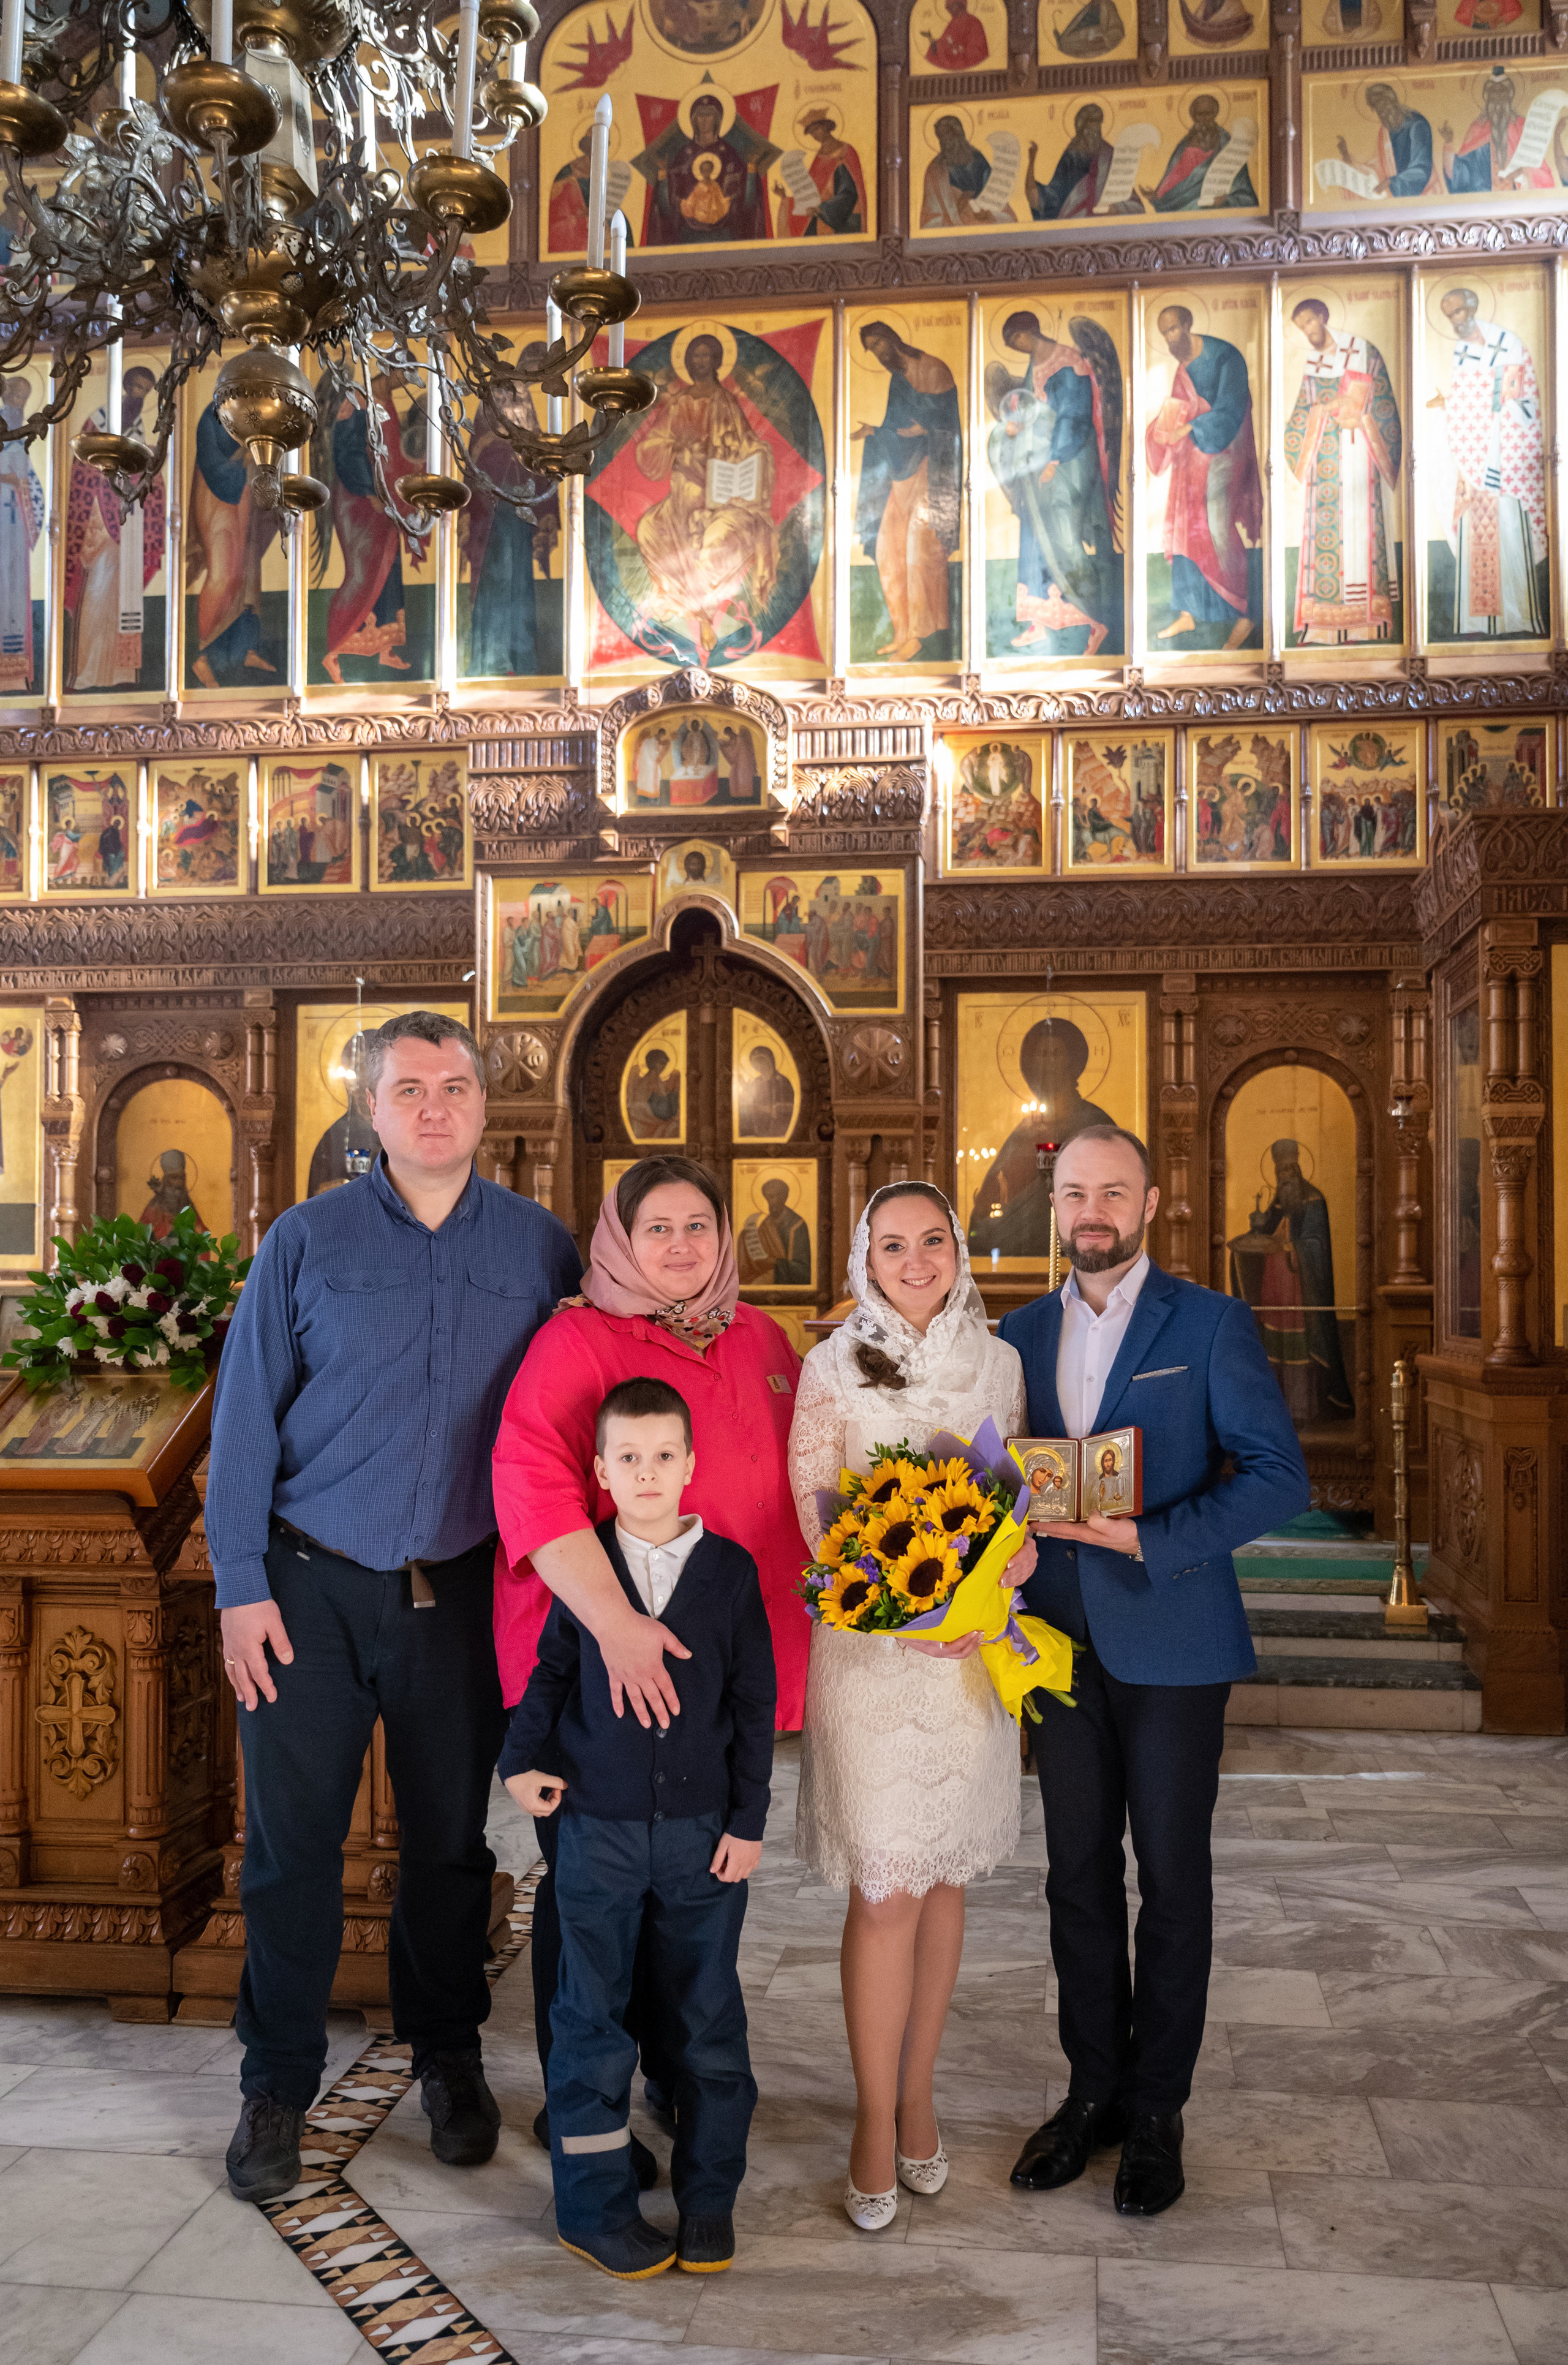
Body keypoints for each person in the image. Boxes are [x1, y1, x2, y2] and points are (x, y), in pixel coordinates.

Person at [206, 1011, 582, 2206]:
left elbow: (583, 1398)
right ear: (371, 1110)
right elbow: (244, 1417)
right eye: (408, 1088)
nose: (433, 1106)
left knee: (449, 1847)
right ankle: (277, 2083)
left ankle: (448, 2053)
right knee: (291, 1850)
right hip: (306, 1587)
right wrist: (240, 1585)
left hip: (460, 1594)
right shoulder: (305, 1239)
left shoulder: (538, 1247)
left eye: (453, 1086)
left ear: (484, 1106)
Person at [998, 1127, 1308, 2217]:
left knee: (1173, 1880)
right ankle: (1092, 2093)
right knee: (1074, 1876)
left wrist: (1151, 1537)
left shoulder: (1210, 1322)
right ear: (1055, 1204)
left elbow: (1279, 1476)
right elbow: (992, 1475)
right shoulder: (1017, 1334)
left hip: (1174, 1637)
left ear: (1152, 1202)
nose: (1092, 1209)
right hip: (1056, 1645)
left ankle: (1159, 2109)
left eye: (1113, 1191)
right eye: (1075, 1191)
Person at [491, 1157, 808, 2144]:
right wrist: (615, 1629)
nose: (680, 1245)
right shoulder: (575, 1339)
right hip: (597, 1670)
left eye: (698, 1225)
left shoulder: (761, 1338)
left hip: (709, 1679)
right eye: (656, 1228)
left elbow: (799, 1482)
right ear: (620, 1240)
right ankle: (581, 2105)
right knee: (592, 1900)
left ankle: (674, 2074)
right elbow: (533, 1484)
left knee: (690, 1896)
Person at [788, 1183, 1036, 2230]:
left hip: (968, 1663)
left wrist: (1012, 1564)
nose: (916, 1259)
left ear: (959, 1250)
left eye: (933, 1240)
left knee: (942, 1884)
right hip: (872, 1658)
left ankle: (921, 2093)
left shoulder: (1001, 1362)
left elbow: (1015, 1492)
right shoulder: (830, 1364)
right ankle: (872, 2115)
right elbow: (816, 1515)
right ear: (866, 1259)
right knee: (886, 1886)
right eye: (893, 1245)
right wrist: (901, 1605)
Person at [501, 1377, 774, 2280]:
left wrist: (748, 1820)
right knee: (588, 2021)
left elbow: (753, 1703)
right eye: (629, 1458)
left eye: (663, 1456)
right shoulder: (584, 1569)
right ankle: (594, 2210)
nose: (647, 1472)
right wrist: (518, 1759)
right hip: (598, 1833)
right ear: (601, 1472)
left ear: (691, 1465)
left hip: (703, 1839)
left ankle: (709, 2201)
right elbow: (549, 1673)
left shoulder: (729, 1573)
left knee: (708, 2022)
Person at [987, 312, 1122, 656]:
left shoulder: (1068, 362)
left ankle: (1097, 620)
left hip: (1068, 462)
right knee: (1034, 538)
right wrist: (1016, 424)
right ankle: (1040, 621)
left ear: (1027, 332)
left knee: (1065, 541)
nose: (1014, 347)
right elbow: (1035, 409)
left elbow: (1073, 416)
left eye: (1014, 340)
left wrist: (1054, 460)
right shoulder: (1035, 365)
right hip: (1038, 467)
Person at [1430, 284, 1547, 641]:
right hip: (1475, 456)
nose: (1455, 321)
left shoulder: (1509, 344)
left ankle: (1517, 618)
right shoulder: (1462, 352)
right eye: (1449, 316)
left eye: (1458, 312)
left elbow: (1525, 399)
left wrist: (1499, 411)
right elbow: (1467, 401)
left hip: (1507, 454)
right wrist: (1450, 407)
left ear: (1473, 308)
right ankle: (1479, 623)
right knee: (1478, 534)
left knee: (1510, 531)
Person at [1284, 298, 1401, 646]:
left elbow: (1385, 406)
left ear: (1323, 317)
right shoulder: (1313, 364)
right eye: (1300, 327)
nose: (1307, 331)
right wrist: (1321, 412)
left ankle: (1369, 623)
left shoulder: (1364, 351)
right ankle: (1324, 626)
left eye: (1310, 321)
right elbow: (1303, 412)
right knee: (1326, 534)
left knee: (1363, 533)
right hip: (1325, 463)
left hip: (1362, 457)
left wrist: (1361, 416)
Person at [1146, 303, 1262, 650]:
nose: (1170, 338)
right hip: (1191, 459)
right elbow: (1177, 408)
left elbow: (1231, 408)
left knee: (1216, 526)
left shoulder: (1226, 356)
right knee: (1184, 527)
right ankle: (1188, 612)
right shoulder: (1183, 366)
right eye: (1164, 333)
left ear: (1187, 324)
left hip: (1225, 451)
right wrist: (1162, 428)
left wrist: (1190, 428)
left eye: (1173, 329)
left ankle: (1245, 612)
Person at [852, 322, 962, 663]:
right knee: (887, 548)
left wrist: (924, 429)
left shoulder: (934, 369)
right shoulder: (898, 380)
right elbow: (897, 428)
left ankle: (921, 634)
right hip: (903, 471)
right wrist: (876, 432)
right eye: (872, 349)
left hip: (934, 470)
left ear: (892, 339)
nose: (879, 354)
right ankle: (902, 632)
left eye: (879, 345)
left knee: (919, 547)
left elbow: (951, 426)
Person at [965, 1016, 1117, 1261]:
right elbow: (995, 1196)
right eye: (1042, 1054)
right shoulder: (1026, 1128)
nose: (1047, 1063)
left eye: (1055, 1053)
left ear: (1072, 1062)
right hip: (1019, 1248)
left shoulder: (1094, 1122)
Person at [1335, 83, 1434, 200]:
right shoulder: (1386, 131)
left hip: (1422, 194)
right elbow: (1379, 166)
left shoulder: (1417, 125)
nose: (1384, 114)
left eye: (1386, 107)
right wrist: (1347, 158)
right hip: (1393, 192)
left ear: (1394, 102)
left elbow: (1422, 169)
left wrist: (1391, 182)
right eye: (1379, 111)